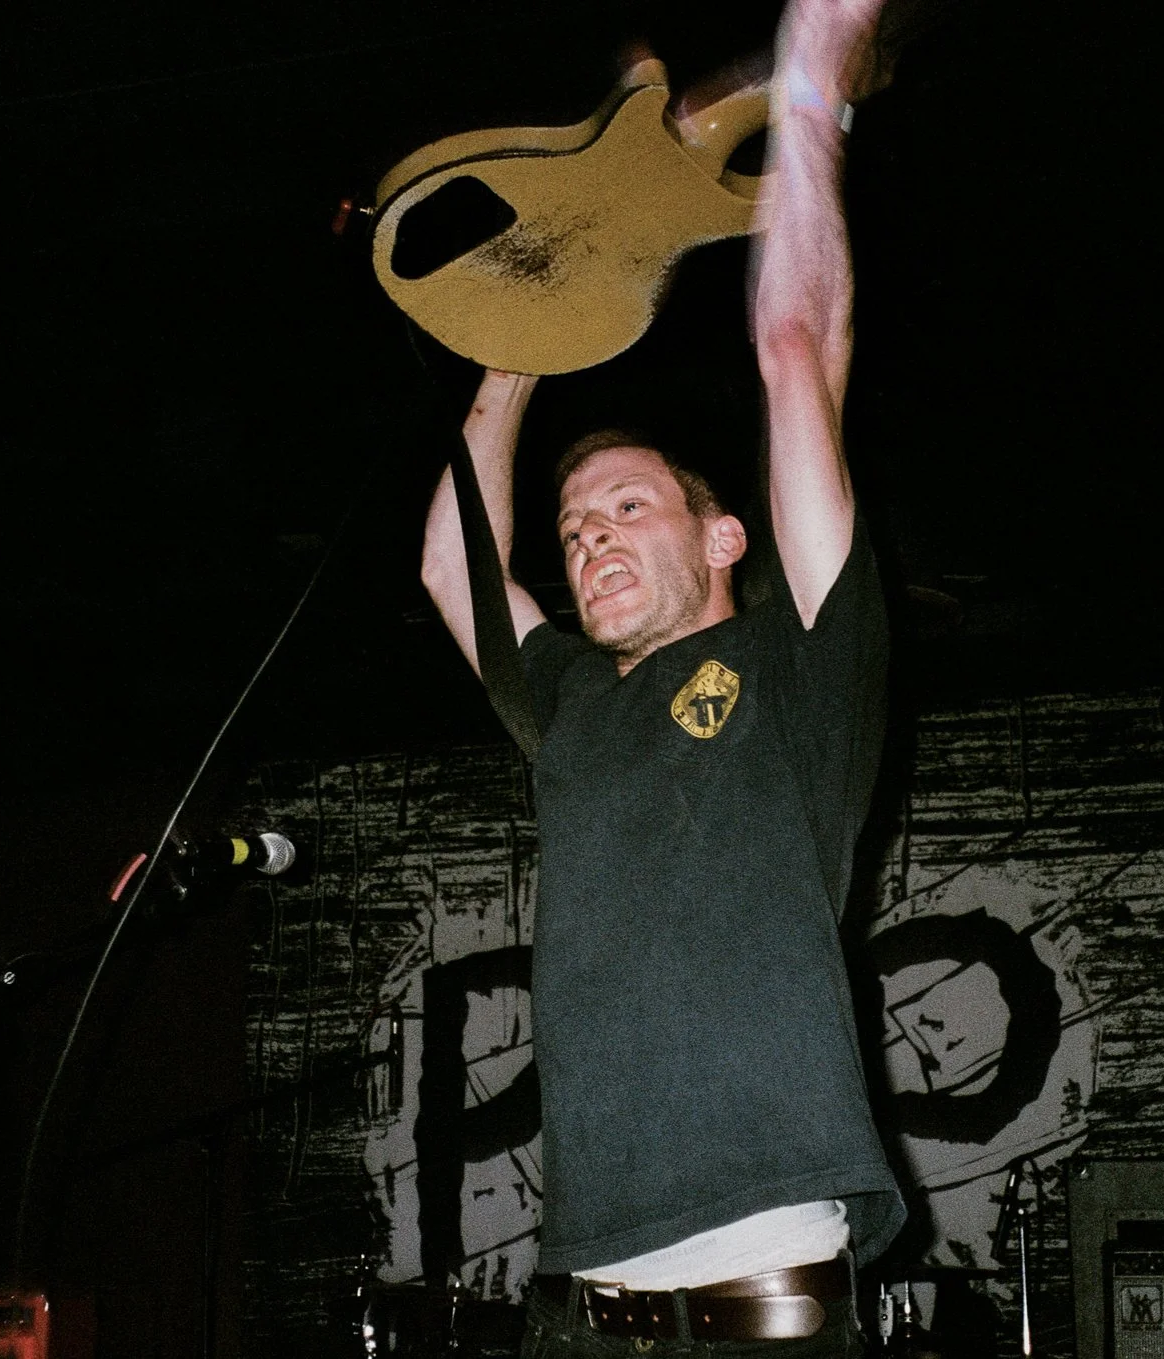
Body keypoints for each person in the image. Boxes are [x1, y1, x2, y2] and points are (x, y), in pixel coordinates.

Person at [417, 0, 901, 1351]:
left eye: (627, 509)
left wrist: (807, 99)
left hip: (769, 1305)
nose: (589, 538)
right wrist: (531, 331)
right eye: (573, 529)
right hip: (581, 1308)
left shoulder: (803, 660)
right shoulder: (569, 699)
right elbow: (456, 573)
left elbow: (799, 351)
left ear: (721, 533)